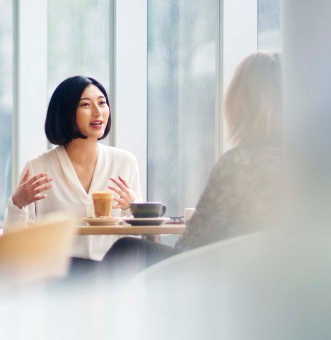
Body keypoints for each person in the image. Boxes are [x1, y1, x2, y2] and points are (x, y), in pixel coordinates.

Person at [97, 51, 283, 281]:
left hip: (220, 277)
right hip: (270, 277)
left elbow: (192, 246)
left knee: (126, 249)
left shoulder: (240, 163)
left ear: (242, 104)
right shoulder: (310, 161)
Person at [0, 75, 143, 264]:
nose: (98, 112)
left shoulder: (125, 162)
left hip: (111, 274)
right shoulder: (38, 168)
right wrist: (18, 203)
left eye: (102, 103)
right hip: (59, 275)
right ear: (66, 113)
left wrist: (133, 206)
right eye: (86, 105)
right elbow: (16, 244)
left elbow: (136, 238)